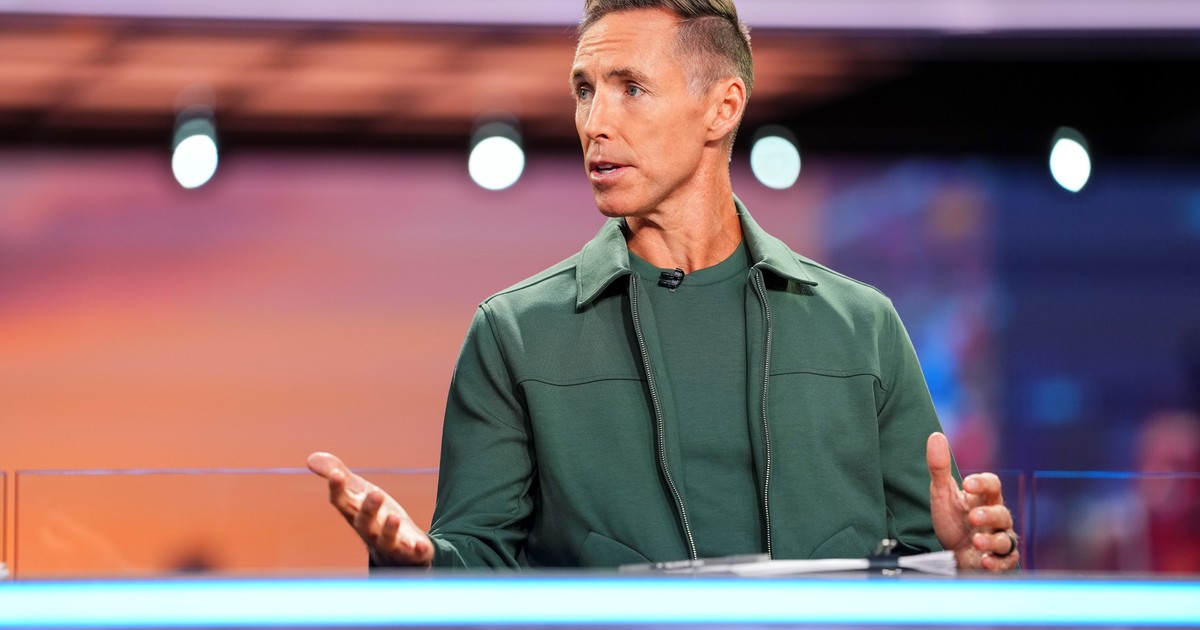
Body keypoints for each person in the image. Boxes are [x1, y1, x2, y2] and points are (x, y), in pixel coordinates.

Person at [309, 0, 1019, 572]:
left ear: (722, 107)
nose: (595, 122)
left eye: (631, 88)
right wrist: (418, 562)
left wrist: (972, 564)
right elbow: (478, 560)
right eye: (584, 90)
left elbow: (925, 563)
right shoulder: (515, 334)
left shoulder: (861, 325)